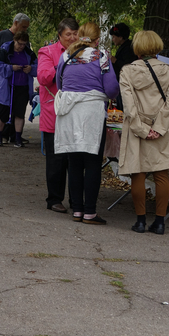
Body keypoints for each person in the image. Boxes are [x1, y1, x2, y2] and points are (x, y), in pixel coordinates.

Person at [54, 21, 119, 224]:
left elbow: (59, 83)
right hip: (91, 113)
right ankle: (90, 212)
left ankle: (77, 211)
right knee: (92, 162)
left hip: (69, 112)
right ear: (97, 39)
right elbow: (111, 89)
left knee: (74, 162)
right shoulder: (102, 58)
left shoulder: (66, 56)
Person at [117, 30, 169, 235]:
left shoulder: (127, 71)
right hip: (163, 129)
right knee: (162, 175)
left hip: (138, 128)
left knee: (139, 173)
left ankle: (141, 221)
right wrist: (159, 128)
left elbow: (128, 106)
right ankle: (160, 222)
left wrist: (142, 129)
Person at [37, 17, 79, 213]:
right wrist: (63, 63)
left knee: (75, 159)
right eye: (68, 34)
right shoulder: (47, 52)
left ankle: (77, 200)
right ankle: (54, 199)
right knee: (56, 160)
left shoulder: (84, 52)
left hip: (77, 113)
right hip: (53, 112)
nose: (72, 38)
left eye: (75, 34)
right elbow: (44, 77)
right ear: (59, 35)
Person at [0, 13, 31, 145]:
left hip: (20, 80)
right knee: (4, 108)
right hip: (5, 79)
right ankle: (3, 135)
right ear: (15, 23)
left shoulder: (25, 40)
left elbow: (30, 57)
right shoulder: (2, 36)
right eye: (23, 27)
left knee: (18, 109)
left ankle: (15, 135)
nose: (25, 29)